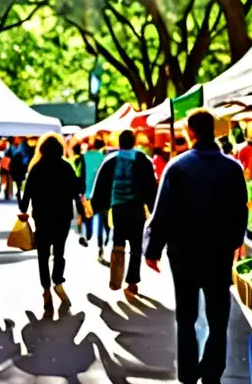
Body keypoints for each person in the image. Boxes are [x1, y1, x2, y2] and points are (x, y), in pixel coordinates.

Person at [144, 109, 247, 384]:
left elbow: (162, 214)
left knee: (186, 318)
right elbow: (241, 213)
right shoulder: (233, 168)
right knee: (218, 319)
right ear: (213, 130)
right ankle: (212, 382)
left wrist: (153, 250)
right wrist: (233, 244)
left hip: (184, 253)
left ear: (190, 131)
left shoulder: (177, 167)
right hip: (218, 254)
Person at [90, 130, 158, 293]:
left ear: (119, 143)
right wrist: (154, 208)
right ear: (133, 142)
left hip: (118, 209)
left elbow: (100, 186)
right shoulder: (142, 159)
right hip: (136, 208)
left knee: (118, 242)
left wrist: (96, 206)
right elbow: (151, 186)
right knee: (136, 245)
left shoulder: (110, 160)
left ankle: (116, 277)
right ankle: (132, 281)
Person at [19, 134, 81, 308]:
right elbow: (76, 189)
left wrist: (23, 210)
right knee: (59, 252)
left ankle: (46, 289)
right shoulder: (66, 167)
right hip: (62, 216)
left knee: (43, 255)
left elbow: (26, 194)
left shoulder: (36, 169)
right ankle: (58, 281)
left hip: (42, 216)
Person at [81, 138, 108, 258]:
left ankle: (87, 236)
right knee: (101, 220)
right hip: (99, 192)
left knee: (88, 217)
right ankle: (100, 244)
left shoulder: (84, 156)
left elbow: (80, 173)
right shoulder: (102, 157)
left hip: (86, 193)